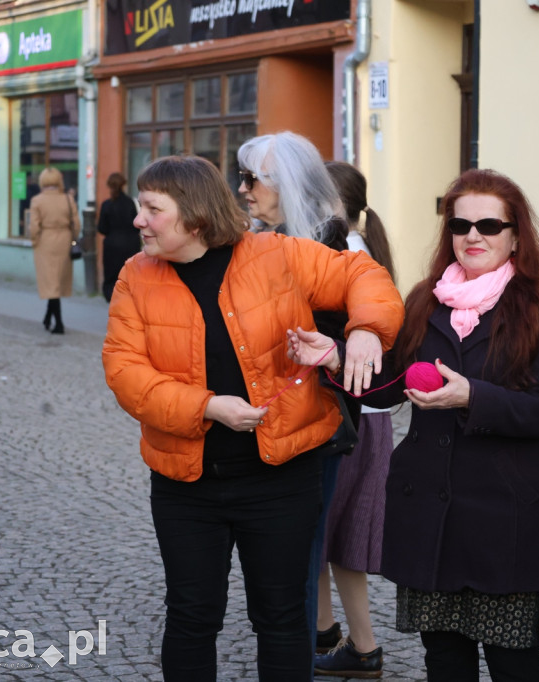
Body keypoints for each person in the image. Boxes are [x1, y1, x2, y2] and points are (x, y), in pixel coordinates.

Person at [101, 155, 403, 681]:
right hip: (185, 484)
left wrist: (364, 331)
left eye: (152, 208)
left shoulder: (275, 254)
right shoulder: (135, 275)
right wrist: (207, 407)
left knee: (283, 617)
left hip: (283, 478)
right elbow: (125, 372)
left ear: (193, 214)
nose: (137, 219)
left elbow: (362, 273)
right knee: (191, 618)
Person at [287, 168, 539, 682]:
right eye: (460, 226)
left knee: (513, 657)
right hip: (428, 508)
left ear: (515, 234)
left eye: (489, 225)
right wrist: (334, 357)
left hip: (503, 510)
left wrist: (473, 396)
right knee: (443, 658)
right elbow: (389, 384)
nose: (473, 236)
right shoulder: (425, 297)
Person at [236, 132, 357, 657]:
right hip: (276, 422)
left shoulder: (327, 245)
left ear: (284, 182)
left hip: (314, 425)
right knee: (286, 560)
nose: (242, 189)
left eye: (251, 179)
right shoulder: (275, 238)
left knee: (300, 559)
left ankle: (297, 655)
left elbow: (337, 341)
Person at [312, 161, 397, 678]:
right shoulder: (348, 247)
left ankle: (362, 647)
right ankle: (324, 632)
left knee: (337, 535)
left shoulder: (348, 254)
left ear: (333, 205)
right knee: (322, 533)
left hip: (355, 417)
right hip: (357, 414)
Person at [28, 167, 78, 334]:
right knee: (56, 283)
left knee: (51, 284)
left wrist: (35, 241)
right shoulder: (67, 199)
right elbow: (76, 224)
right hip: (64, 240)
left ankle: (59, 323)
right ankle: (48, 317)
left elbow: (34, 226)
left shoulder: (37, 201)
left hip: (45, 242)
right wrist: (72, 238)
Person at [96, 172, 140, 302]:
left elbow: (102, 228)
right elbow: (136, 225)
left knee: (111, 278)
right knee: (129, 276)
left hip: (112, 247)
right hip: (130, 246)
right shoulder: (131, 203)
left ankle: (114, 304)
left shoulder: (107, 205)